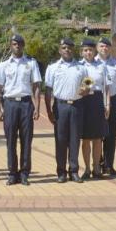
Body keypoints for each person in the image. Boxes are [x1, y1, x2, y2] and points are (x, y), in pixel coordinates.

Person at [0, 34, 41, 186]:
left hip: (26, 104)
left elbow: (37, 85)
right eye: (14, 43)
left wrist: (37, 107)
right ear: (10, 45)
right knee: (11, 140)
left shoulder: (31, 63)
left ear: (23, 45)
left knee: (26, 140)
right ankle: (12, 173)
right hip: (10, 104)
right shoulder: (4, 65)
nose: (17, 46)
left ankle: (25, 173)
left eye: (19, 43)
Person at [44, 38, 88, 183]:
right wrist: (49, 111)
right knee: (61, 140)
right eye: (64, 47)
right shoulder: (53, 67)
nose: (67, 50)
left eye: (69, 47)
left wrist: (86, 89)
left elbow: (88, 82)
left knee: (75, 139)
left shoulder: (81, 67)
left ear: (73, 50)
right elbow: (48, 90)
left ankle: (74, 171)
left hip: (77, 105)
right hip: (60, 106)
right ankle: (61, 172)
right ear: (59, 50)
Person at [78, 39, 109, 179]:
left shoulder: (101, 66)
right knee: (85, 139)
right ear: (82, 52)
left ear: (94, 51)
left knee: (97, 138)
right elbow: (80, 85)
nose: (88, 52)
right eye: (85, 50)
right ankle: (86, 169)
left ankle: (96, 168)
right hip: (83, 101)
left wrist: (107, 104)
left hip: (97, 100)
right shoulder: (78, 66)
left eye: (90, 50)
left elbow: (106, 87)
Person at [97, 38, 116, 175]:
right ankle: (97, 164)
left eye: (107, 46)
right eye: (102, 46)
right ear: (97, 47)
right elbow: (85, 82)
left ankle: (109, 165)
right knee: (96, 135)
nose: (104, 48)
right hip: (95, 102)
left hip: (113, 101)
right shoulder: (91, 63)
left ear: (110, 48)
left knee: (111, 135)